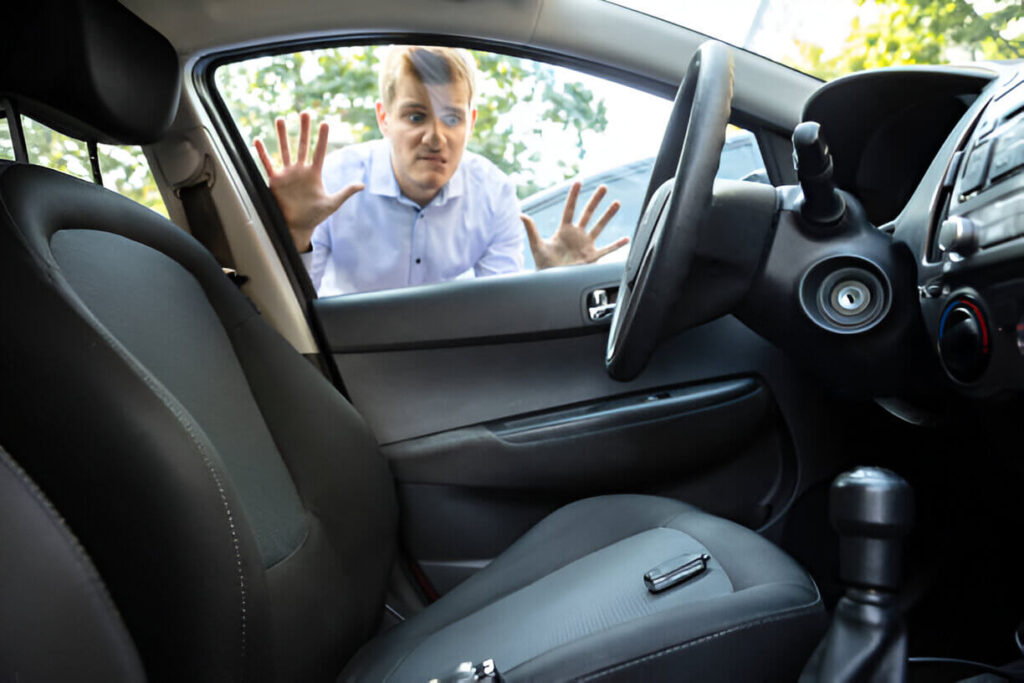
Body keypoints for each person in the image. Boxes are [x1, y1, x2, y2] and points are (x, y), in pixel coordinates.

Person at [255, 45, 628, 296]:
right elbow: (294, 309)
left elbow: (501, 315)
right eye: (416, 116)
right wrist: (297, 234)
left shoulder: (494, 192)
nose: (436, 137)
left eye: (452, 118)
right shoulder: (334, 182)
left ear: (471, 122)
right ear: (384, 119)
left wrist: (552, 285)